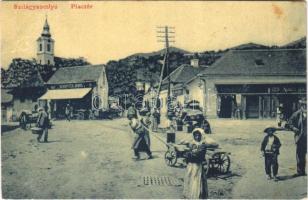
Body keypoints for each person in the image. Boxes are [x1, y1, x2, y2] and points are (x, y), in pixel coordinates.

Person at [181, 128, 218, 199]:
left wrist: (189, 154)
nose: (197, 137)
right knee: (190, 179)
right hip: (190, 166)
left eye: (198, 136)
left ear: (201, 136)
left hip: (197, 166)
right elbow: (187, 155)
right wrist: (189, 154)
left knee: (197, 181)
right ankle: (189, 195)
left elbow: (198, 155)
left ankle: (197, 196)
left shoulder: (203, 145)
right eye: (196, 136)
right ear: (193, 136)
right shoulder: (191, 144)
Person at [287, 99, 307, 176]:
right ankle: (301, 171)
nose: (305, 107)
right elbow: (289, 123)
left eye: (306, 105)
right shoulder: (297, 114)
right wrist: (293, 128)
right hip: (301, 137)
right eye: (303, 105)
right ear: (301, 106)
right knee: (300, 155)